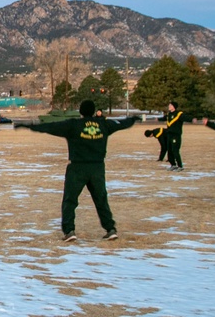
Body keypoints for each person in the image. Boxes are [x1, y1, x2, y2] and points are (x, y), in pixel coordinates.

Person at [19, 99, 137, 241]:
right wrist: (133, 119)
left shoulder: (74, 125)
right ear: (93, 111)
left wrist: (29, 126)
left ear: (80, 111)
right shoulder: (103, 124)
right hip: (97, 167)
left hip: (77, 167)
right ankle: (110, 229)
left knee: (70, 200)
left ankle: (69, 231)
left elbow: (51, 127)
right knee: (101, 199)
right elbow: (121, 124)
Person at [163, 102, 186, 171]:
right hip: (169, 135)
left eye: (170, 105)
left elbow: (186, 118)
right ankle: (173, 165)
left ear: (174, 106)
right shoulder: (169, 114)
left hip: (176, 135)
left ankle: (180, 166)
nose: (169, 106)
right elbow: (164, 118)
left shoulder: (179, 114)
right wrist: (157, 119)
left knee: (175, 150)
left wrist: (193, 119)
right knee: (169, 150)